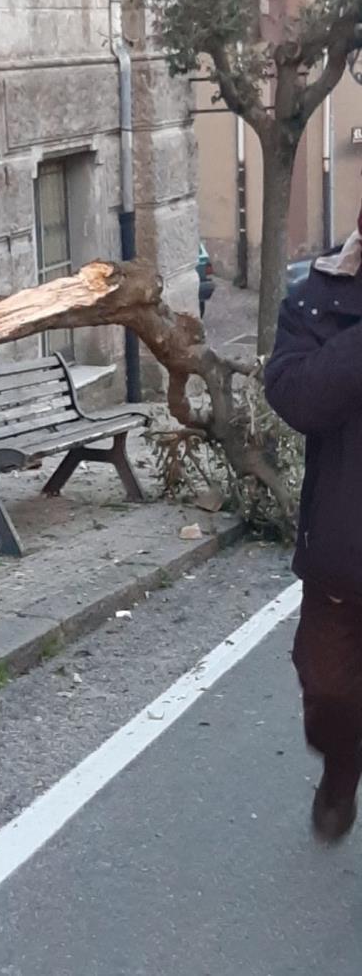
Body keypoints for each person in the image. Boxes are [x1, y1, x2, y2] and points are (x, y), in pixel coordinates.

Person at [265, 215, 362, 843]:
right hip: (343, 552)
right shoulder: (318, 294)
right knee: (328, 692)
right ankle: (341, 766)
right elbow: (297, 397)